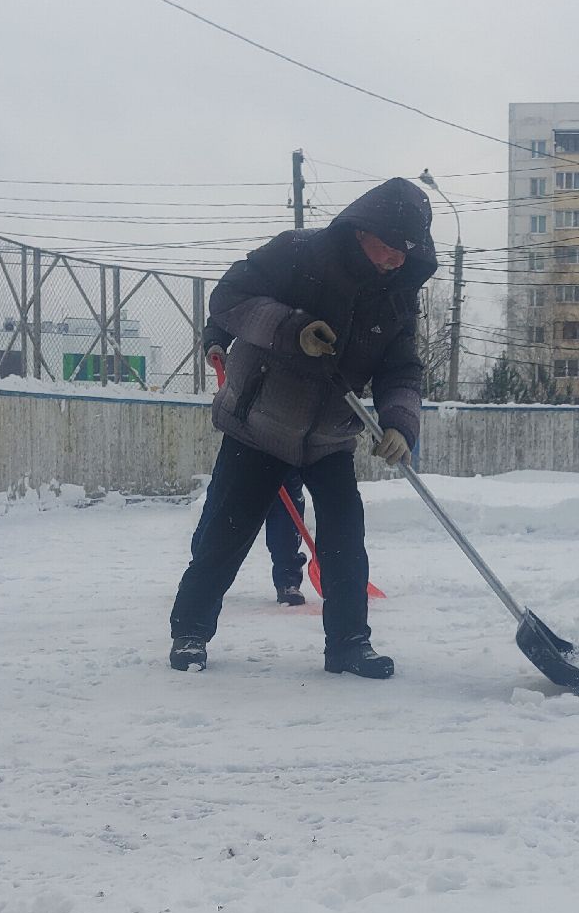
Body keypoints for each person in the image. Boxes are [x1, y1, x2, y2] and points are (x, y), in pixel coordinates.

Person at [169, 177, 434, 678]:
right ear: (363, 230)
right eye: (394, 247)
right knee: (226, 534)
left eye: (411, 251)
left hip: (331, 436)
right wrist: (293, 329)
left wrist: (400, 422)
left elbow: (402, 369)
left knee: (344, 540)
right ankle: (189, 632)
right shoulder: (299, 253)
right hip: (260, 425)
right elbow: (228, 299)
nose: (400, 260)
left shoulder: (398, 295)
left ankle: (350, 645)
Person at [205, 337, 310, 607]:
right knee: (222, 505)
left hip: (288, 429)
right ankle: (202, 575)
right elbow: (227, 307)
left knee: (287, 511)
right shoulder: (254, 307)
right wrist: (214, 340)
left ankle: (288, 579)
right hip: (244, 432)